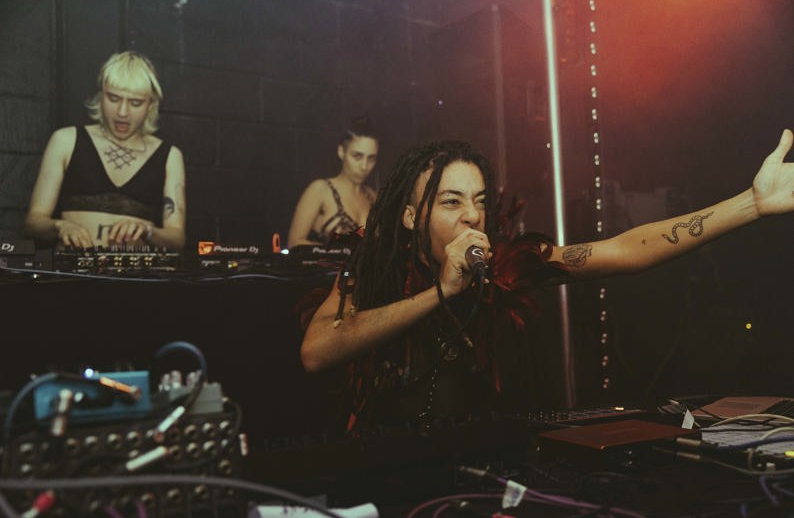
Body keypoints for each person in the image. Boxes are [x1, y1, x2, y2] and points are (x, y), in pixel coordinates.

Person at [299, 131, 794, 431]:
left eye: (479, 200)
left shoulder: (507, 266)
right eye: (451, 202)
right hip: (383, 469)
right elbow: (317, 351)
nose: (472, 215)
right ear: (411, 217)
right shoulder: (373, 271)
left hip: (478, 466)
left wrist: (751, 204)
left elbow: (626, 250)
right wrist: (442, 292)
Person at [23, 51, 186, 250]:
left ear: (150, 105)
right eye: (113, 98)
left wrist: (147, 231)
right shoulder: (65, 140)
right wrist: (61, 226)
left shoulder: (170, 156)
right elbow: (32, 223)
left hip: (136, 270)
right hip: (71, 268)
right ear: (101, 96)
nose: (122, 112)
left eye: (135, 103)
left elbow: (177, 239)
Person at [287, 117, 379, 248]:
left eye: (371, 158)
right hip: (324, 262)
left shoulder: (373, 197)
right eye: (357, 156)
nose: (364, 166)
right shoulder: (320, 190)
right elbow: (294, 244)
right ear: (341, 152)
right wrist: (339, 252)